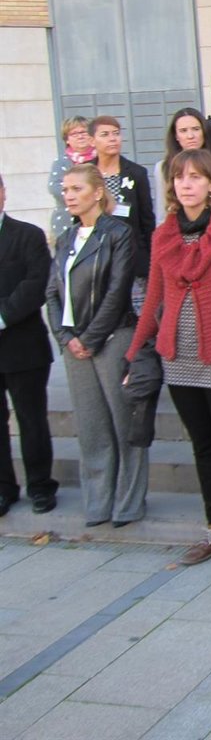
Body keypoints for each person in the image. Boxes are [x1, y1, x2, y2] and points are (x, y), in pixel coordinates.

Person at [126, 150, 211, 568]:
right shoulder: (164, 233)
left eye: (196, 177)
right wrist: (134, 353)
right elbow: (153, 299)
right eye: (180, 177)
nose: (186, 184)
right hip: (178, 358)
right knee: (202, 446)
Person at [46, 164, 147, 527]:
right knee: (91, 427)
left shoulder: (117, 233)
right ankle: (98, 501)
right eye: (65, 189)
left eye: (75, 188)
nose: (68, 195)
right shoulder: (65, 239)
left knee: (123, 424)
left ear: (97, 192)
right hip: (74, 344)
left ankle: (129, 501)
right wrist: (65, 337)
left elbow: (118, 290)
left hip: (110, 337)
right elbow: (52, 293)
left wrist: (89, 338)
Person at [0, 173, 58, 516]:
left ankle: (40, 486)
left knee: (32, 420)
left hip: (23, 346)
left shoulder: (29, 235)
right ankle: (4, 488)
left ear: (4, 193)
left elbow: (36, 283)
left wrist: (3, 316)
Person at [89, 116, 155, 286]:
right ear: (92, 140)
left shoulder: (136, 173)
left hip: (132, 258)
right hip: (96, 259)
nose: (112, 139)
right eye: (105, 134)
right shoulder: (85, 174)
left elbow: (147, 220)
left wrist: (151, 259)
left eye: (116, 133)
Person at [155, 108, 211, 215]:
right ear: (176, 136)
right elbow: (163, 211)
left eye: (196, 129)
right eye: (183, 131)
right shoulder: (162, 167)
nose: (190, 136)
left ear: (204, 131)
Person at [47, 116, 95, 242]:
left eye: (84, 132)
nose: (80, 136)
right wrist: (83, 196)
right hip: (66, 221)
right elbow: (55, 188)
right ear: (67, 139)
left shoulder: (101, 159)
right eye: (74, 133)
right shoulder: (61, 162)